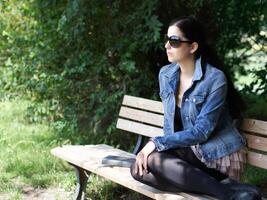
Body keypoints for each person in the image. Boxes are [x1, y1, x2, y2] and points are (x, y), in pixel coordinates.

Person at [130, 16, 261, 200]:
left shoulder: (215, 79)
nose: (167, 45)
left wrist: (156, 143)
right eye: (167, 39)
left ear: (193, 47)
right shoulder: (166, 75)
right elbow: (171, 125)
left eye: (174, 41)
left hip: (215, 156)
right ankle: (228, 192)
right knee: (137, 169)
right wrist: (160, 146)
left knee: (152, 158)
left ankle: (225, 193)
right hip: (189, 152)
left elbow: (201, 132)